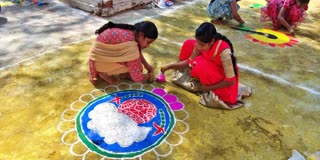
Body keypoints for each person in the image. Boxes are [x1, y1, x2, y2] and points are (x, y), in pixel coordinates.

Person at [160, 22, 248, 109]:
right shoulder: (201, 43)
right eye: (198, 43)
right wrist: (169, 66)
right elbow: (189, 61)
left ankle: (206, 83)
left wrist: (208, 88)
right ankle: (201, 78)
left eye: (201, 45)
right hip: (212, 68)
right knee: (189, 44)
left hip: (224, 82)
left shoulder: (224, 52)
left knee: (200, 64)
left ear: (212, 41)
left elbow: (230, 81)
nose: (198, 47)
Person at [88, 21, 158, 85]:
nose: (148, 46)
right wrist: (149, 76)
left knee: (138, 67)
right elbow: (138, 78)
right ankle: (103, 72)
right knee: (137, 69)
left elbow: (137, 52)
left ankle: (123, 74)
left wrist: (146, 65)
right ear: (141, 35)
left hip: (98, 59)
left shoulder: (132, 32)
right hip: (97, 62)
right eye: (148, 42)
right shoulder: (131, 46)